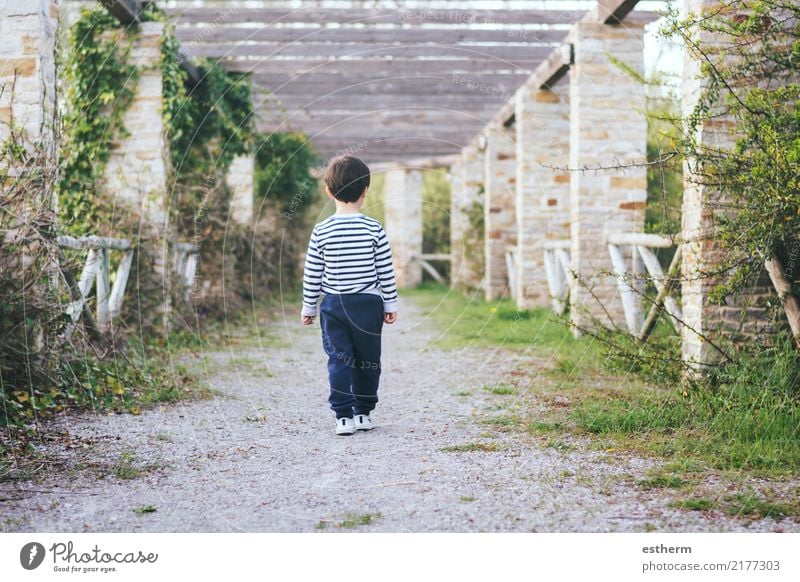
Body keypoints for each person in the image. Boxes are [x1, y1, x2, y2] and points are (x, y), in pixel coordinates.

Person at [300, 155, 398, 435]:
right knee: (369, 360)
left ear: (328, 191)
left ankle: (343, 416)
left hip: (334, 305)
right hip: (368, 304)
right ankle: (364, 413)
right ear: (365, 191)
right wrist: (390, 302)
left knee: (339, 359)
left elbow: (313, 273)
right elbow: (385, 271)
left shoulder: (321, 231)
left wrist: (309, 307)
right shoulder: (374, 229)